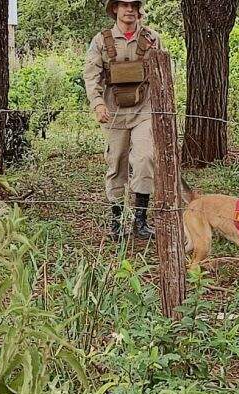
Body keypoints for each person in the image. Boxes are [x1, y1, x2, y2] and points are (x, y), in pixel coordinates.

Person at [83, 0, 162, 240]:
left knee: (145, 158)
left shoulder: (152, 38)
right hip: (114, 112)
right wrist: (97, 104)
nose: (129, 10)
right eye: (123, 5)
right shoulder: (101, 40)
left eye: (133, 5)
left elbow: (163, 73)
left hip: (144, 111)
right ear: (114, 9)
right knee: (116, 163)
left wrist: (164, 108)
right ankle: (116, 223)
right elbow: (90, 75)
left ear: (139, 9)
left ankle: (140, 221)